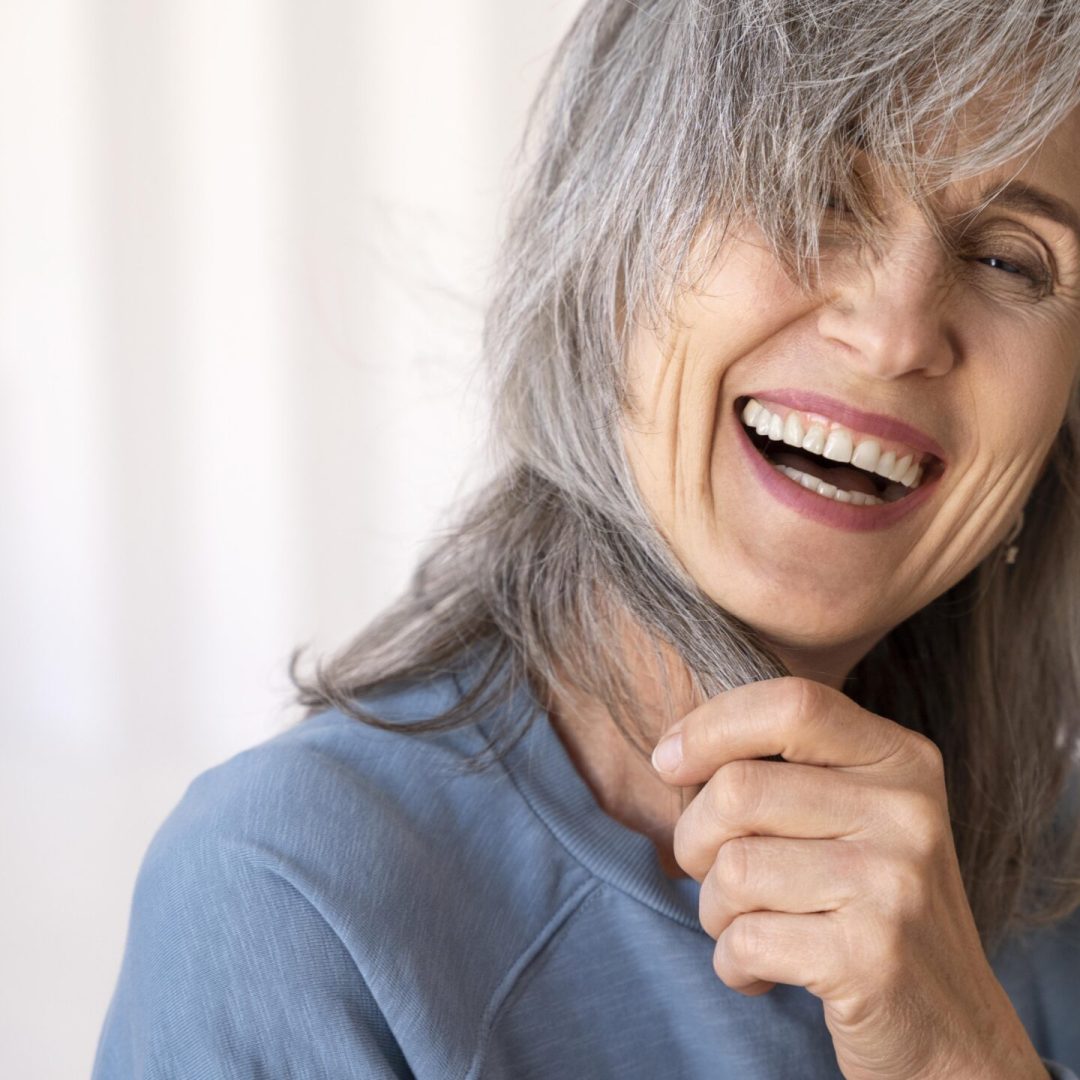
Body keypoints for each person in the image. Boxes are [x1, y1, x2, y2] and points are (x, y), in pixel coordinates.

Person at [94, 1, 1080, 1077]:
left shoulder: (1059, 887)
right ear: (606, 234)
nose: (895, 333)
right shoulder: (293, 895)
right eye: (810, 191)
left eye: (1011, 261)